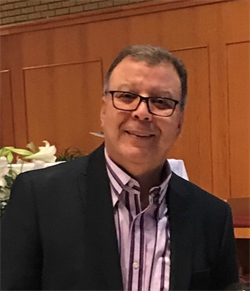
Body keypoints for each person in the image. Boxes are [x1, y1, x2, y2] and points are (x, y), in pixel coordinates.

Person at [0, 45, 239, 291]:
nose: (142, 112)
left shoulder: (212, 216)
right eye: (127, 97)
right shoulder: (39, 198)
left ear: (180, 122)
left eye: (160, 101)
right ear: (104, 110)